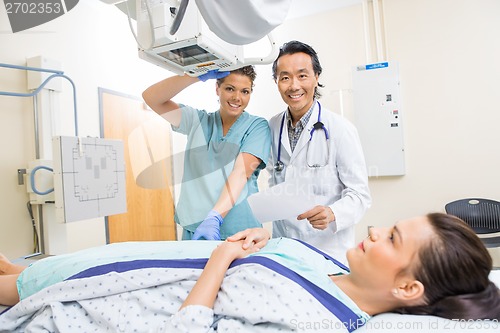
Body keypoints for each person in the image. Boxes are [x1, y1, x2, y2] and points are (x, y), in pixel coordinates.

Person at [0, 213, 499, 332]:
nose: (373, 232)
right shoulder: (328, 266)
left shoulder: (313, 324)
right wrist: (262, 238)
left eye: (391, 239)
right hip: (114, 274)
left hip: (89, 314)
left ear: (408, 288)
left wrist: (220, 259)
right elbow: (284, 249)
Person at [266, 40, 371, 264]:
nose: (294, 86)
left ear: (317, 77)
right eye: (285, 77)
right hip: (283, 249)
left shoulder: (340, 129)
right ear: (277, 82)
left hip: (327, 253)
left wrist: (333, 213)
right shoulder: (272, 127)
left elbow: (360, 195)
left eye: (302, 75)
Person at [142, 66, 271, 241]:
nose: (237, 97)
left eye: (245, 91)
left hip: (240, 231)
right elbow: (152, 98)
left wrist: (214, 217)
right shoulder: (196, 121)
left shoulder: (257, 127)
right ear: (217, 88)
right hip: (196, 227)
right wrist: (194, 76)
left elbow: (241, 173)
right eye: (229, 88)